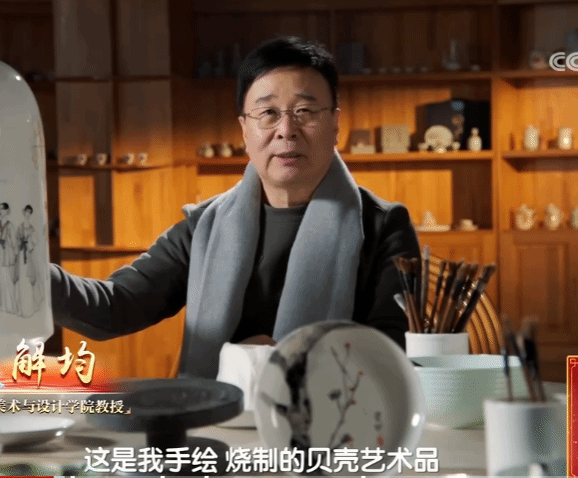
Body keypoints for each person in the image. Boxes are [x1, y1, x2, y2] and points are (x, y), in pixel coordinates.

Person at [50, 36, 420, 379]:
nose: (286, 129)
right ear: (244, 129)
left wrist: (273, 363)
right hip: (217, 419)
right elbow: (116, 306)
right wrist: (32, 277)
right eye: (268, 113)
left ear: (335, 123)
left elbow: (394, 355)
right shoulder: (205, 225)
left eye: (305, 110)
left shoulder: (384, 227)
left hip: (333, 422)